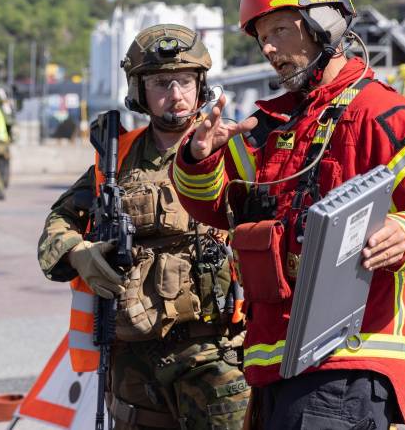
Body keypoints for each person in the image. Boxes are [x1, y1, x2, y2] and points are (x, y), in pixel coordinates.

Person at [172, 0, 405, 430]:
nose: (269, 48)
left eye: (279, 31)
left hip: (345, 365)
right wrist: (199, 158)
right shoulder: (267, 127)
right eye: (261, 38)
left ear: (324, 23)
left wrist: (404, 233)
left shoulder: (384, 115)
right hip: (273, 366)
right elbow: (215, 209)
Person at [37, 25, 249, 430]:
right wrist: (78, 253)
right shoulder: (116, 159)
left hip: (216, 351)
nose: (176, 93)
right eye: (161, 83)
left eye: (185, 81)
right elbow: (58, 223)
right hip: (134, 359)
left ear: (201, 86)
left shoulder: (231, 147)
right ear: (140, 90)